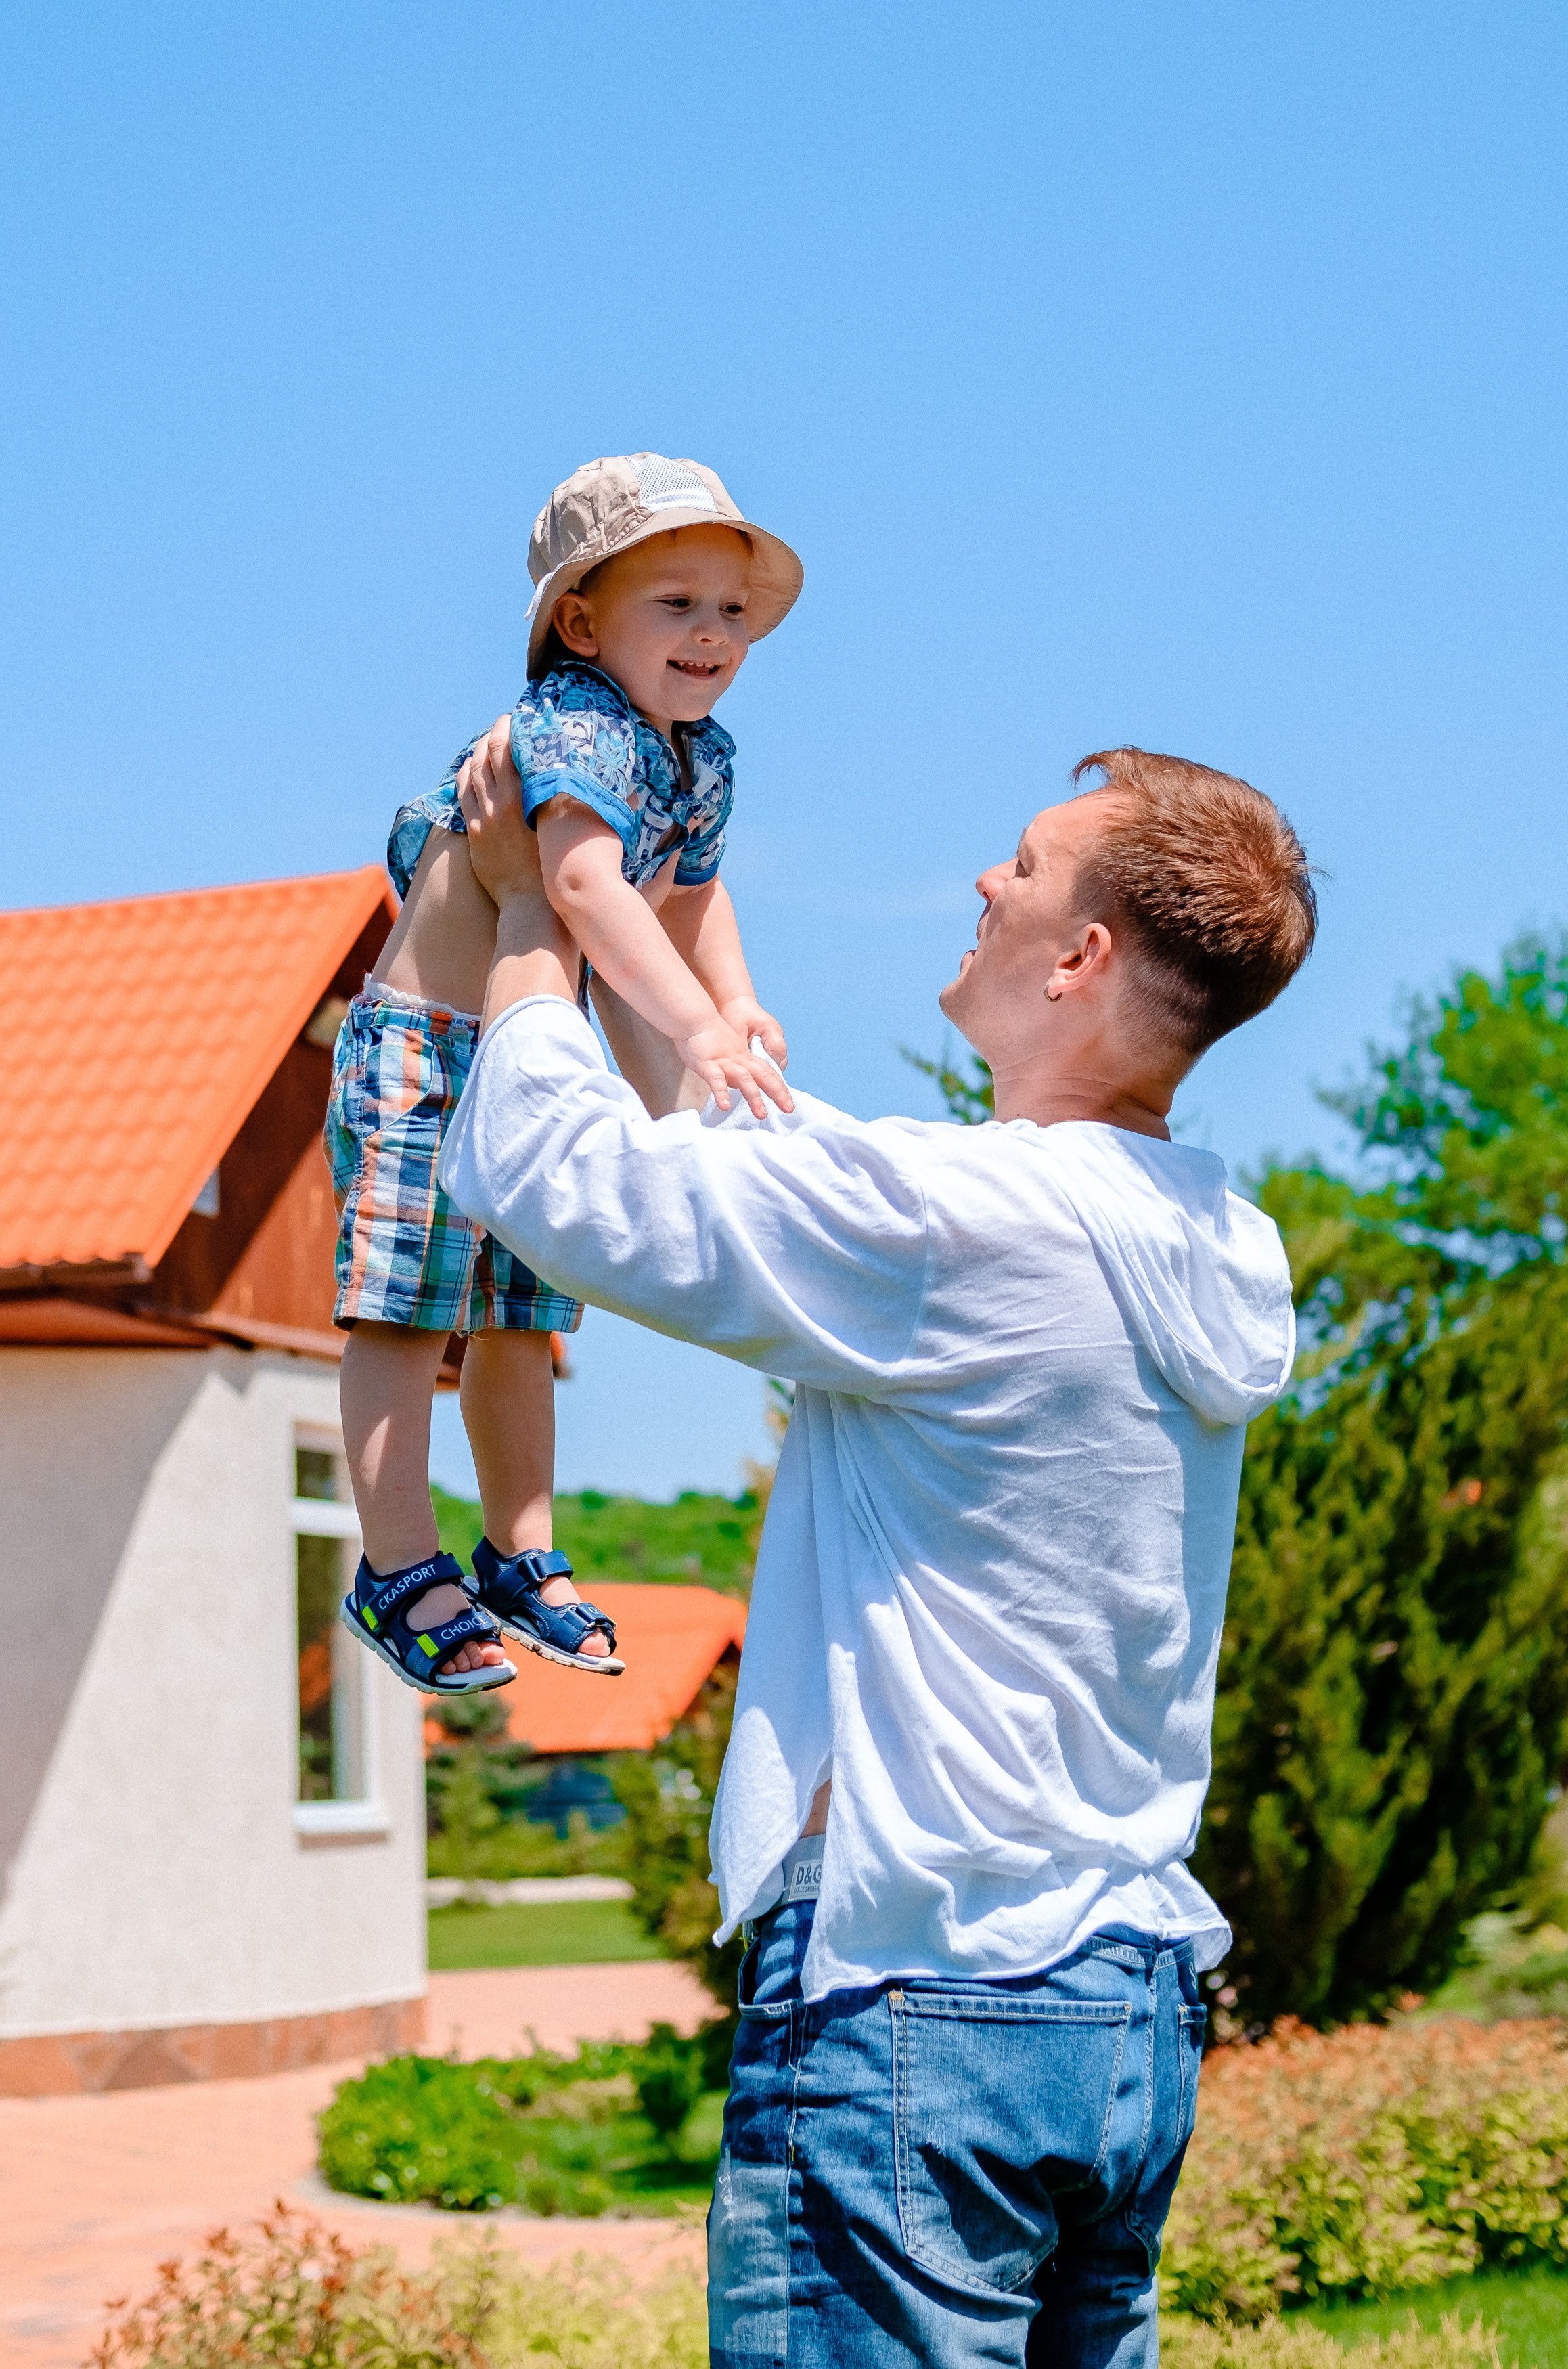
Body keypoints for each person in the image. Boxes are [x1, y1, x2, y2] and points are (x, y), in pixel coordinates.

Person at [440, 730, 1316, 2367]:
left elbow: (549, 1174)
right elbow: (779, 1188)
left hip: (924, 2001)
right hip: (1118, 2009)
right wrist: (683, 1008)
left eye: (1027, 864)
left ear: (1080, 957)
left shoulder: (958, 1226)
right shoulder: (1209, 1240)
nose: (987, 880)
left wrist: (528, 918)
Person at [326, 452, 800, 1693]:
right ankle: (396, 1562)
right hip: (429, 1047)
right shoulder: (575, 723)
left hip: (528, 1050)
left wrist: (735, 998)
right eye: (677, 603)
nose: (712, 634)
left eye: (731, 612)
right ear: (581, 622)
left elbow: (691, 894)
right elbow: (584, 887)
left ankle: (515, 1549)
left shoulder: (697, 756)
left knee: (522, 1317)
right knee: (404, 1306)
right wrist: (697, 1034)